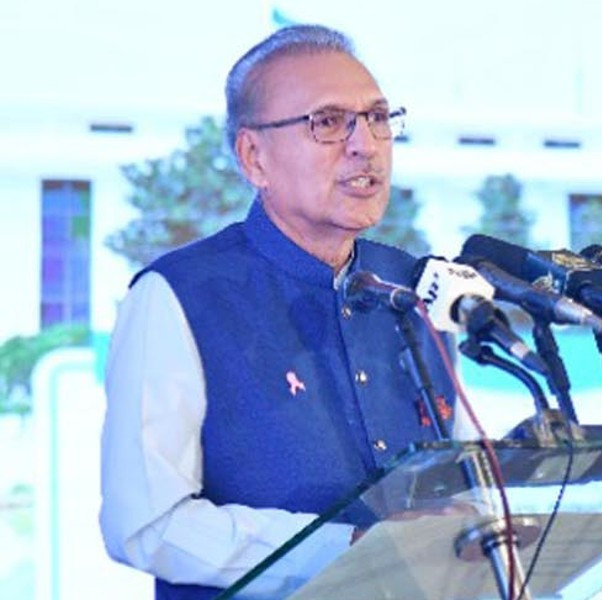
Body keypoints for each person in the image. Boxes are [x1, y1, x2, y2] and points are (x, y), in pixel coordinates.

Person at [99, 24, 455, 600]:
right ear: (253, 156)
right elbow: (145, 526)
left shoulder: (415, 287)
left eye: (379, 118)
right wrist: (347, 552)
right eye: (329, 122)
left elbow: (451, 497)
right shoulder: (178, 295)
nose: (365, 143)